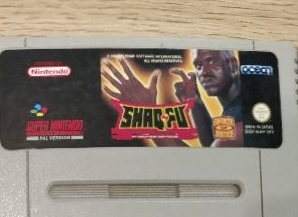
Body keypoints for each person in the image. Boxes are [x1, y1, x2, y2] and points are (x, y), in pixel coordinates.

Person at [102, 49, 243, 147]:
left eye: (211, 61)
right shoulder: (235, 109)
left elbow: (201, 165)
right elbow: (211, 144)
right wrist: (195, 101)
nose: (204, 72)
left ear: (233, 64)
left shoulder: (241, 116)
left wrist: (146, 116)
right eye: (198, 66)